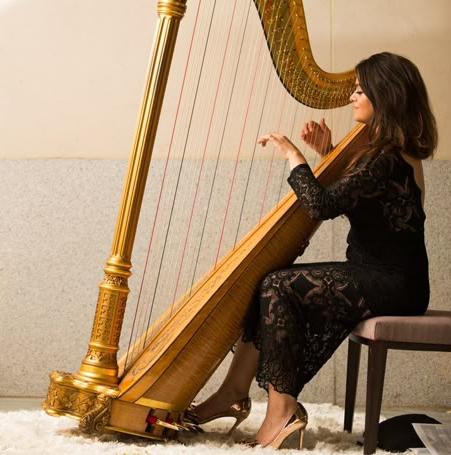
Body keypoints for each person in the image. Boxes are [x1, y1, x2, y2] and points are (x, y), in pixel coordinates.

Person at [184, 52, 438, 449]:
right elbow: (360, 198)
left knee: (279, 286)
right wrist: (329, 153)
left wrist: (293, 157)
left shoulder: (385, 160)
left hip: (394, 283)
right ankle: (234, 391)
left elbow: (321, 205)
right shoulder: (386, 156)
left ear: (383, 94)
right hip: (381, 275)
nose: (352, 96)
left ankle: (281, 411)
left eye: (358, 89)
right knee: (269, 279)